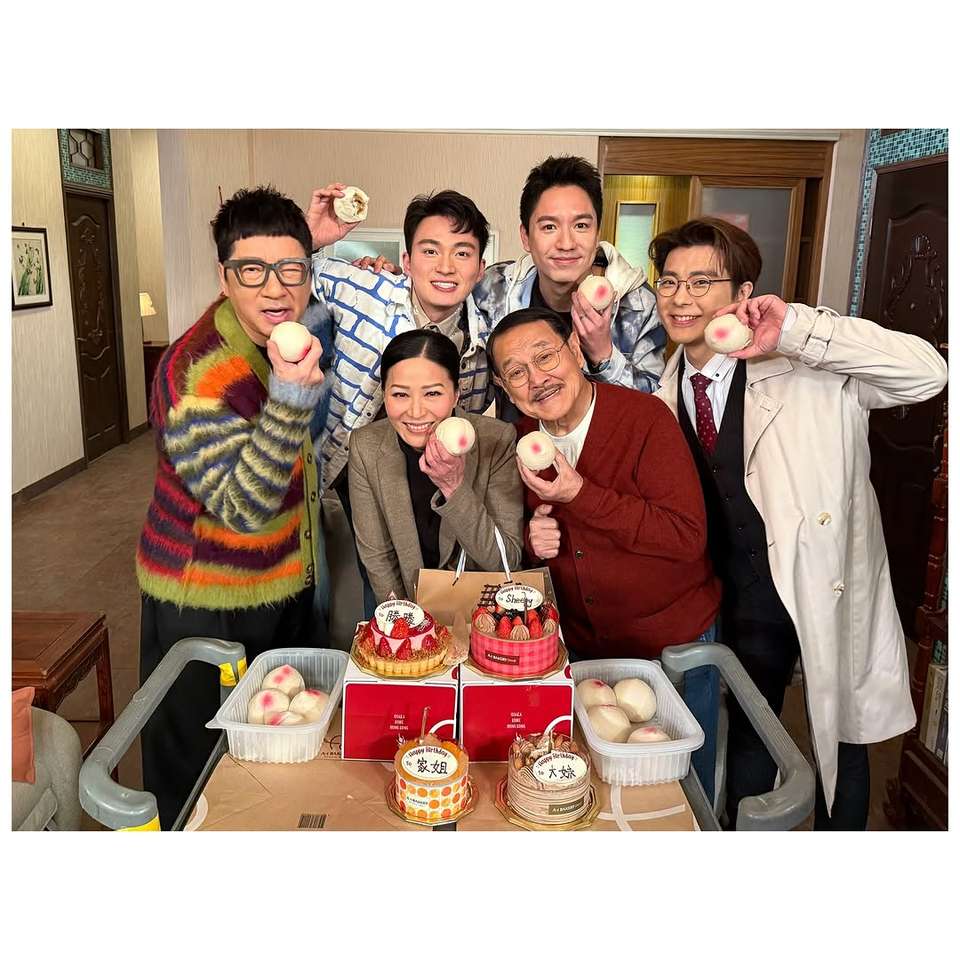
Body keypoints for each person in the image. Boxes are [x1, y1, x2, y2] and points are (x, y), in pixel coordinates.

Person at [649, 216, 949, 829]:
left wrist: (799, 329)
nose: (681, 298)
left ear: (743, 293)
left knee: (840, 740)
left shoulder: (810, 367)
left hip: (820, 580)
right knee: (753, 729)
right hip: (741, 594)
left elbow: (929, 373)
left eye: (702, 282)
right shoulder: (667, 388)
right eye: (670, 282)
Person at [135, 186, 327, 829]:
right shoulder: (194, 373)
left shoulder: (273, 332)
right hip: (206, 604)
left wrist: (310, 245)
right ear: (224, 277)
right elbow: (242, 506)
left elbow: (283, 277)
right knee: (199, 777)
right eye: (252, 271)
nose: (276, 289)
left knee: (275, 752)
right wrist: (291, 402)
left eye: (291, 270)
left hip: (279, 584)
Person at [484, 307, 722, 798]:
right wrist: (533, 540)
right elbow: (540, 545)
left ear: (575, 348)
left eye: (545, 356)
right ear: (505, 389)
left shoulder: (645, 418)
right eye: (517, 373)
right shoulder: (522, 440)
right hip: (584, 654)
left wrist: (580, 495)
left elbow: (685, 536)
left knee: (679, 795)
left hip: (670, 647)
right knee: (596, 791)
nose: (537, 379)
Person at [305, 186, 496, 615]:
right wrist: (311, 237)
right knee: (340, 593)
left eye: (462, 253)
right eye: (430, 251)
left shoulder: (481, 345)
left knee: (415, 586)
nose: (445, 266)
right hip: (336, 468)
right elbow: (289, 272)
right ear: (407, 261)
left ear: (480, 268)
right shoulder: (365, 289)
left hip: (421, 482)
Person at [348, 329, 523, 602]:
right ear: (384, 395)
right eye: (400, 395)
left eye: (432, 393)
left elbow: (506, 561)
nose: (416, 412)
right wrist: (406, 620)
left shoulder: (496, 440)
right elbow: (378, 556)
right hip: (405, 604)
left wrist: (454, 488)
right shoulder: (365, 445)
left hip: (478, 608)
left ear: (456, 395)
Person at [473, 155, 666, 393]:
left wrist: (603, 356)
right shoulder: (493, 290)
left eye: (581, 226)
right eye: (549, 227)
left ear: (597, 234)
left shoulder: (639, 305)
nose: (566, 243)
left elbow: (655, 403)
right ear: (525, 237)